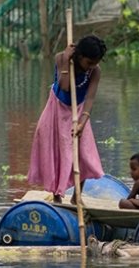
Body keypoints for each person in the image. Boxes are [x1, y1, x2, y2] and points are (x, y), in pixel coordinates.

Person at [27, 35, 107, 203]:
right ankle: (57, 195)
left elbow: (90, 98)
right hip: (56, 108)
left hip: (79, 111)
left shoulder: (95, 71)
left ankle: (77, 196)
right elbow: (65, 86)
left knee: (83, 153)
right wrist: (65, 60)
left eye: (95, 63)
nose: (92, 67)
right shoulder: (61, 58)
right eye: (89, 62)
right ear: (79, 56)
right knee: (56, 149)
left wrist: (82, 123)